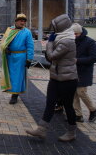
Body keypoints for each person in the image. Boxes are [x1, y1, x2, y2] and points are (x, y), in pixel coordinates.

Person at [26, 14, 78, 142]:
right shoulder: (61, 38)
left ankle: (72, 132)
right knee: (50, 103)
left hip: (67, 79)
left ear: (61, 27)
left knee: (68, 106)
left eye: (55, 27)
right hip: (56, 77)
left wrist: (50, 42)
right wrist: (53, 41)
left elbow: (51, 56)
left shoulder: (67, 41)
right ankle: (41, 130)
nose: (53, 30)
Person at [0, 13, 34, 104]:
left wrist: (29, 59)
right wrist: (5, 48)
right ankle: (10, 90)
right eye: (21, 20)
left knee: (18, 77)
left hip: (21, 58)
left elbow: (30, 46)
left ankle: (15, 95)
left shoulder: (27, 32)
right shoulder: (10, 30)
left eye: (24, 21)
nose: (22, 22)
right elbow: (4, 42)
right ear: (16, 21)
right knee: (11, 76)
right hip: (10, 57)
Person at [71, 23, 96, 122]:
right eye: (72, 34)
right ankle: (78, 115)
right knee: (74, 93)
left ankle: (93, 110)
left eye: (76, 34)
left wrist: (78, 60)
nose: (74, 36)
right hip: (74, 71)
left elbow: (94, 58)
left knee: (81, 92)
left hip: (84, 71)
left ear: (80, 33)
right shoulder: (72, 41)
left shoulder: (90, 42)